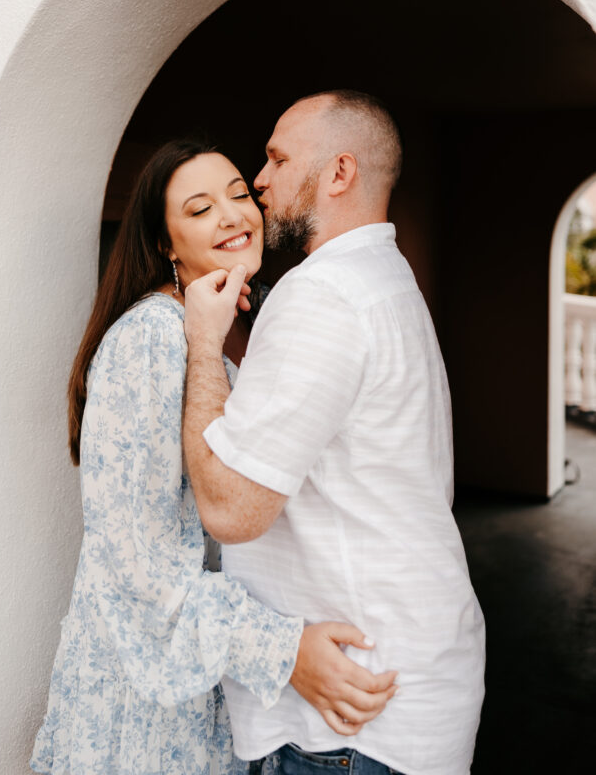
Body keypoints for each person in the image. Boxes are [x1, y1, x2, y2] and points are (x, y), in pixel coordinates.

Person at [30, 138, 398, 775]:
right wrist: (283, 649)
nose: (232, 215)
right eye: (200, 209)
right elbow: (137, 561)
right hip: (144, 705)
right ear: (167, 244)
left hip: (201, 685)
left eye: (237, 195)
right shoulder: (151, 338)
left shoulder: (221, 333)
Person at [182, 92, 486, 775]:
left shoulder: (323, 293)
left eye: (277, 158)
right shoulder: (384, 278)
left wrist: (202, 345)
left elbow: (232, 510)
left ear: (339, 173)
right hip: (404, 683)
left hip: (352, 718)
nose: (259, 181)